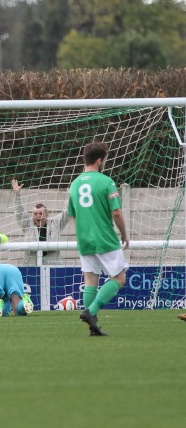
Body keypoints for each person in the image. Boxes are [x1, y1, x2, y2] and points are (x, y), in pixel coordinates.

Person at [68, 141, 129, 337]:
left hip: (84, 238)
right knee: (119, 278)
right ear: (100, 160)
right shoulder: (105, 182)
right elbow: (117, 212)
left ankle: (92, 327)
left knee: (90, 281)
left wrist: (83, 232)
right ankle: (91, 312)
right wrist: (125, 235)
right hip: (104, 238)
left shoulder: (75, 184)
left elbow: (73, 214)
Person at [12, 179, 70, 264]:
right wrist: (17, 194)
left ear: (47, 214)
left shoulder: (56, 223)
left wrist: (71, 196)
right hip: (32, 267)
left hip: (53, 265)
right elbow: (19, 213)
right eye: (35, 214)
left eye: (41, 213)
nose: (38, 216)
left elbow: (67, 212)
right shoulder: (28, 224)